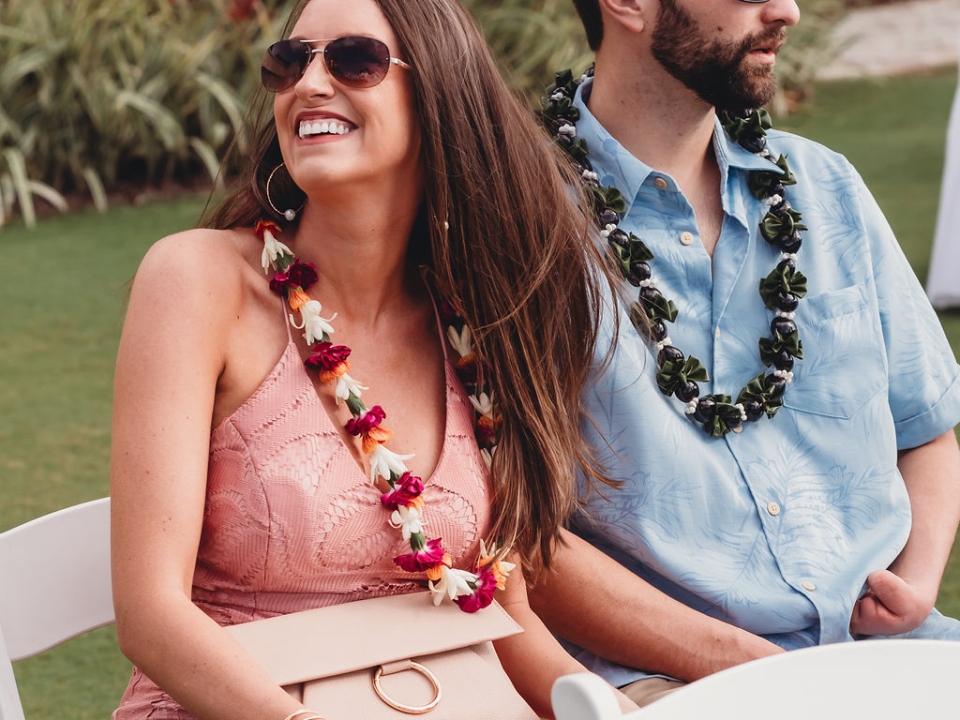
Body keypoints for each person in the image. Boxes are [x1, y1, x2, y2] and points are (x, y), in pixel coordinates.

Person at [108, 1, 638, 718]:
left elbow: (502, 615)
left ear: (437, 94)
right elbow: (151, 615)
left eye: (354, 60)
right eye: (289, 62)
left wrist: (612, 711)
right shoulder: (198, 282)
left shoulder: (470, 324)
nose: (309, 84)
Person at [529, 0, 960, 708]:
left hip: (889, 655)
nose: (787, 10)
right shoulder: (515, 227)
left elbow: (926, 429)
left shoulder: (824, 186)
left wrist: (914, 585)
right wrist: (773, 676)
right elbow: (512, 534)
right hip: (672, 681)